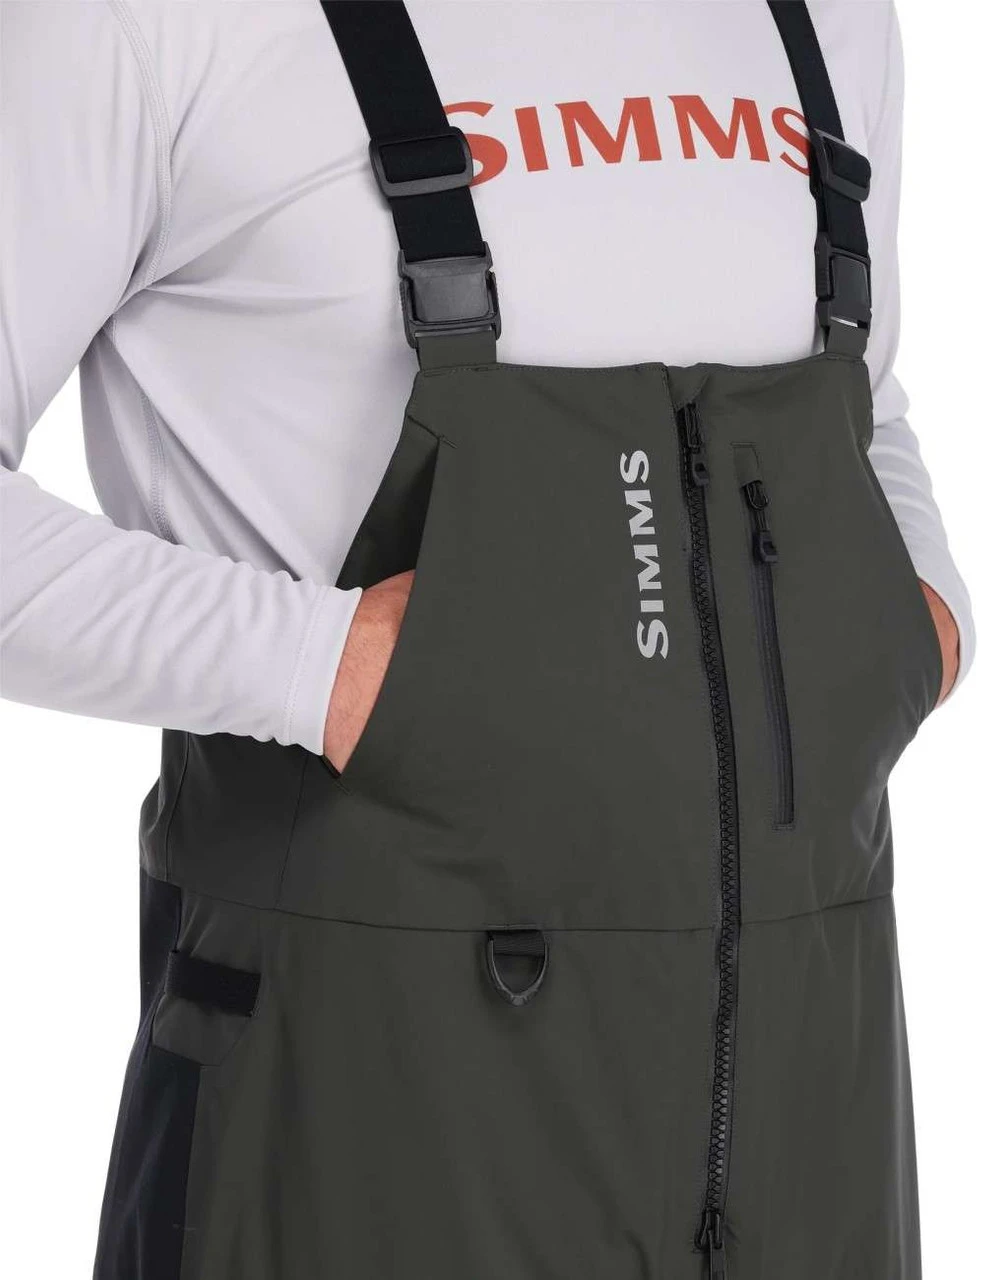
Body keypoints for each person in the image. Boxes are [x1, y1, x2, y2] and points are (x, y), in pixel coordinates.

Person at [0, 3, 971, 1278]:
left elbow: (860, 387)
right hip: (366, 1098)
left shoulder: (830, 20)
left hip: (812, 1095)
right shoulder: (146, 24)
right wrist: (322, 666)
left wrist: (923, 608)